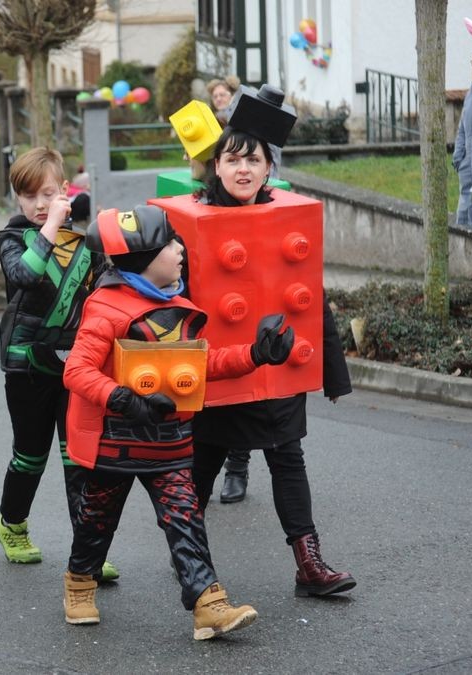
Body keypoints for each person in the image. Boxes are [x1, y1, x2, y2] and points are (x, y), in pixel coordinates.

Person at [62, 205, 288, 639]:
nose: (178, 249)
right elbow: (76, 371)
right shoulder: (104, 307)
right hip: (116, 443)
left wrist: (256, 354)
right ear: (143, 258)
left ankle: (208, 603)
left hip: (169, 442)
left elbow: (203, 364)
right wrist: (124, 398)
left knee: (186, 517)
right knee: (96, 520)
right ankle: (79, 583)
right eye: (168, 244)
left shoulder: (179, 305)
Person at [191, 125, 356, 597]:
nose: (243, 169)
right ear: (216, 167)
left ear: (268, 169)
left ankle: (309, 563)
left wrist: (331, 372)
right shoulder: (194, 219)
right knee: (202, 464)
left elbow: (310, 295)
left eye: (254, 160)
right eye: (233, 160)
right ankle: (190, 555)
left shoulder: (288, 216)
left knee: (288, 456)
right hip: (221, 367)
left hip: (278, 364)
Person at [0, 147, 120, 580]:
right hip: (26, 368)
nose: (39, 204)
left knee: (79, 459)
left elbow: (111, 288)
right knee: (30, 456)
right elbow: (24, 275)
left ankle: (87, 552)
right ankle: (11, 524)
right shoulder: (11, 238)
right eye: (29, 197)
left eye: (47, 193)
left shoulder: (85, 244)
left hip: (77, 368)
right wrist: (49, 227)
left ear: (65, 190)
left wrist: (114, 238)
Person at [454, 53, 472, 229]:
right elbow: (462, 128)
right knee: (463, 225)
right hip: (468, 169)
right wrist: (459, 157)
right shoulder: (471, 93)